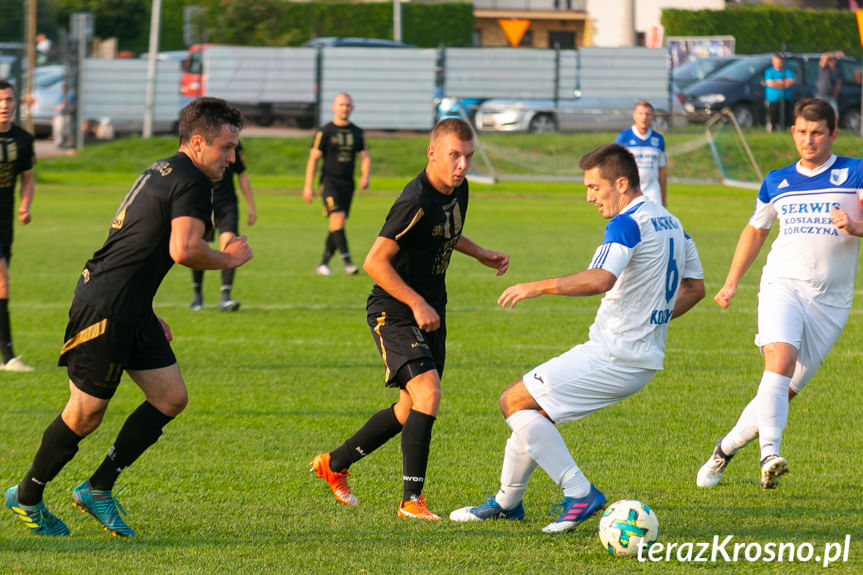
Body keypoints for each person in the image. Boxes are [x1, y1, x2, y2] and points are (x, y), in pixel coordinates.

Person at [4, 97, 253, 537]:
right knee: (85, 415)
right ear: (197, 143)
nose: (232, 159)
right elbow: (183, 250)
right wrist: (228, 259)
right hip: (104, 308)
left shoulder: (165, 169)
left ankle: (97, 488)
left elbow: (136, 246)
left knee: (170, 398)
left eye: (234, 149)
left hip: (130, 307)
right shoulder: (191, 182)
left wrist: (147, 309)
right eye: (225, 148)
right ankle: (26, 496)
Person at [450, 143, 704, 533]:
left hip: (614, 353)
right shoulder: (671, 221)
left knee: (513, 401)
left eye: (594, 187)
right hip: (640, 355)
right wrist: (654, 320)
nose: (589, 197)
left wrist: (536, 286)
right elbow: (695, 287)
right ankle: (507, 503)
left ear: (621, 183)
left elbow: (600, 279)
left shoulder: (626, 223)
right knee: (532, 414)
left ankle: (579, 492)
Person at [311, 118, 509, 520]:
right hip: (395, 309)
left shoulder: (459, 189)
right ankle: (411, 501)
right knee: (429, 395)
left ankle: (334, 463)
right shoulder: (414, 198)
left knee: (409, 408)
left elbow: (443, 233)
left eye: (468, 157)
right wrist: (417, 303)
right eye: (454, 155)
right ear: (432, 153)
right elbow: (374, 262)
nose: (463, 165)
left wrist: (481, 253)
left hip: (432, 308)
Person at [697, 98, 863, 491]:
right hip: (782, 284)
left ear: (833, 135)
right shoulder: (777, 181)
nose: (809, 140)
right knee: (780, 359)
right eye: (802, 132)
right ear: (793, 132)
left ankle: (723, 451)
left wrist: (856, 226)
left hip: (831, 302)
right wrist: (732, 281)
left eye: (818, 132)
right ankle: (769, 455)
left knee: (782, 392)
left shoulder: (855, 172)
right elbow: (756, 230)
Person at [303, 92, 371, 276]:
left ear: (352, 108)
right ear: (334, 107)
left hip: (348, 184)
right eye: (341, 105)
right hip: (329, 182)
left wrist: (365, 176)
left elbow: (365, 156)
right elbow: (313, 159)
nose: (345, 108)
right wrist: (308, 186)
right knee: (338, 218)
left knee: (336, 224)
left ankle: (323, 264)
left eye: (348, 105)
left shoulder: (357, 132)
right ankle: (348, 262)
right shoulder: (325, 131)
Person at [190, 141, 256, 311]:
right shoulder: (201, 141)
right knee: (199, 247)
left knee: (229, 246)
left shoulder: (233, 142)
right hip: (203, 203)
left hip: (227, 204)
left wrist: (251, 205)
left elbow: (242, 173)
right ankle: (197, 296)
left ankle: (225, 297)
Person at [0, 80, 35, 373]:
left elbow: (27, 178)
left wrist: (25, 205)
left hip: (5, 219)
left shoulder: (23, 139)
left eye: (9, 100)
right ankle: (8, 357)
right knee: (2, 282)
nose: (4, 105)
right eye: (0, 100)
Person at [614, 101, 667, 206]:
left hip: (652, 189)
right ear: (634, 116)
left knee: (654, 220)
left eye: (647, 114)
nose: (644, 117)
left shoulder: (658, 139)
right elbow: (615, 165)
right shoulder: (624, 136)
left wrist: (663, 197)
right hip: (630, 189)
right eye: (640, 114)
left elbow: (662, 170)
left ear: (652, 117)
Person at [764, 53, 794, 132]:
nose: (779, 64)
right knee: (773, 116)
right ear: (773, 62)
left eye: (780, 62)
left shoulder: (787, 71)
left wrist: (777, 83)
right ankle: (772, 130)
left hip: (785, 99)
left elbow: (790, 82)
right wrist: (783, 83)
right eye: (777, 62)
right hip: (773, 100)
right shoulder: (769, 72)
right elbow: (770, 83)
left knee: (785, 117)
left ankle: (783, 130)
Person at [816, 51, 843, 118]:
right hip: (821, 94)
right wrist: (836, 54)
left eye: (833, 60)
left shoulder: (837, 70)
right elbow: (825, 56)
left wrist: (835, 95)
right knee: (819, 112)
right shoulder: (823, 68)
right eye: (830, 60)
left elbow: (838, 84)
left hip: (831, 96)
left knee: (835, 113)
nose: (832, 62)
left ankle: (834, 128)